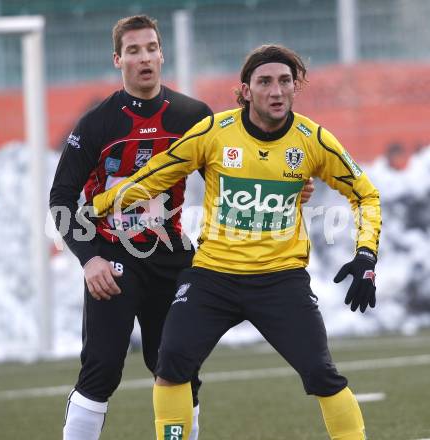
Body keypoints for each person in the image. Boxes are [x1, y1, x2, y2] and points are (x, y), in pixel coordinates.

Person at [92, 44, 381, 439]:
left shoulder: (313, 140)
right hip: (214, 276)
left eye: (285, 82)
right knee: (171, 361)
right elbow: (159, 173)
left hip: (281, 279)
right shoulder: (214, 132)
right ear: (245, 90)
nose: (276, 91)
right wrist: (102, 204)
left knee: (321, 372)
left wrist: (366, 255)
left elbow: (366, 194)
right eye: (265, 82)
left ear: (296, 88)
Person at [49, 14, 316, 440]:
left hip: (172, 256)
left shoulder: (194, 115)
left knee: (177, 366)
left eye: (151, 48)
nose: (144, 58)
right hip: (113, 258)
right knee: (101, 367)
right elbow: (61, 200)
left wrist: (288, 188)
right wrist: (90, 258)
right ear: (118, 59)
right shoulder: (97, 123)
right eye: (133, 51)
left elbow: (238, 174)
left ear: (162, 53)